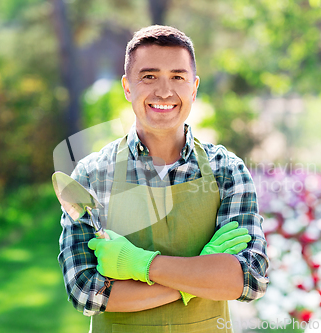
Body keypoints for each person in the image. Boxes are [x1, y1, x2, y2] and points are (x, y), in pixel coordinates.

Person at [57, 25, 269, 333]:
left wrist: (141, 265)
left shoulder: (227, 171)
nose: (165, 91)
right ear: (127, 87)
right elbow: (86, 292)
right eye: (149, 76)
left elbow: (249, 280)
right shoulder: (92, 175)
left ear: (193, 88)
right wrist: (199, 275)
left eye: (178, 77)